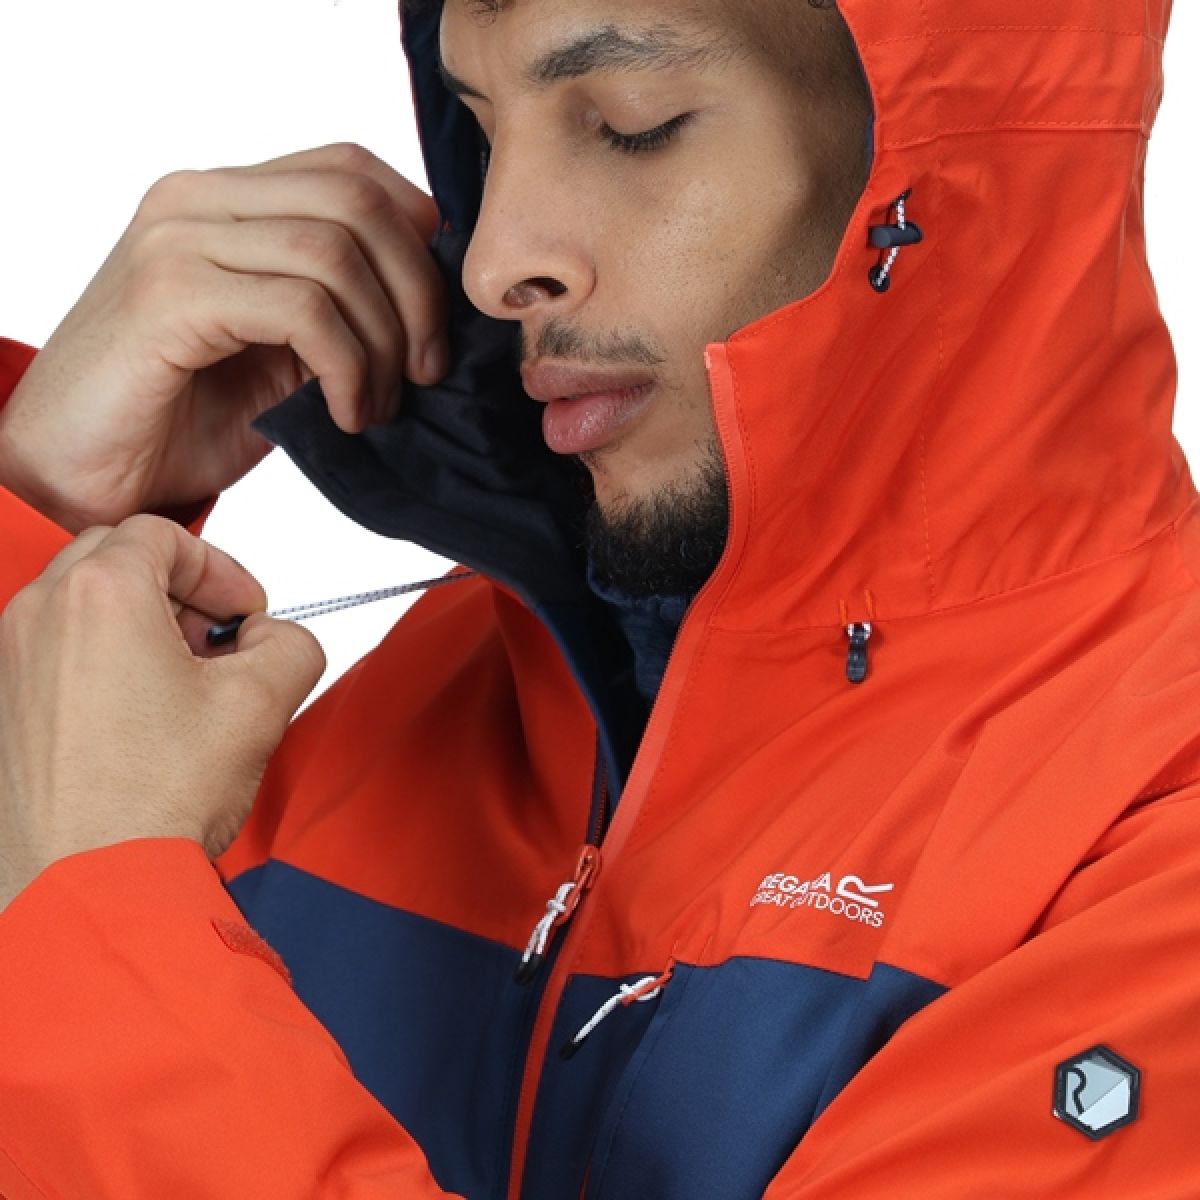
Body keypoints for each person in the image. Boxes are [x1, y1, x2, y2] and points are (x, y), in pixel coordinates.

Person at [0, 0, 1192, 1195]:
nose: (493, 262)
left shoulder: (1155, 832)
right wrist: (36, 519)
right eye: (480, 130)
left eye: (635, 125)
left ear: (960, 157)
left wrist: (104, 925)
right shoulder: (434, 693)